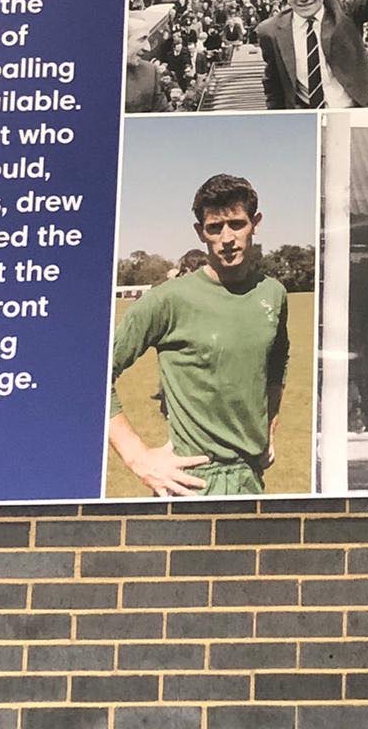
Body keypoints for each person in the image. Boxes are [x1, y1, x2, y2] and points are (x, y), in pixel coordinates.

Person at [108, 174, 289, 497]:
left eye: (237, 224)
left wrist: (269, 432)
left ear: (255, 223)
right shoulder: (167, 299)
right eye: (214, 228)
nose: (227, 238)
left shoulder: (273, 294)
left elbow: (276, 365)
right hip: (191, 482)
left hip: (250, 480)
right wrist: (139, 458)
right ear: (199, 232)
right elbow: (94, 375)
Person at [256, 0, 368, 109]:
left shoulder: (344, 10)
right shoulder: (270, 31)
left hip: (359, 113)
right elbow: (274, 86)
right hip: (308, 119)